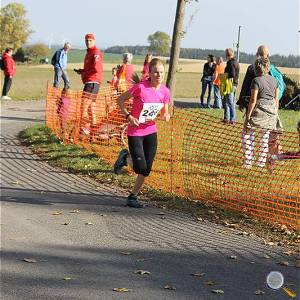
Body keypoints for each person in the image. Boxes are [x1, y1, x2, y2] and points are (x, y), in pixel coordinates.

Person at [114, 58, 171, 208]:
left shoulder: (165, 91)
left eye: (161, 72)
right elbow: (120, 100)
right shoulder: (140, 88)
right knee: (139, 167)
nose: (159, 75)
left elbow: (165, 111)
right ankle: (126, 157)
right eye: (156, 72)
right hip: (136, 132)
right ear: (150, 73)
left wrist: (166, 115)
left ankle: (133, 196)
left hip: (151, 131)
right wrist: (129, 116)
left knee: (146, 170)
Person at [239, 45, 284, 158]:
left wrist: (245, 109)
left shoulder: (252, 72)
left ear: (257, 55)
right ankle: (261, 162)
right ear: (268, 56)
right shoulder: (275, 74)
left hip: (256, 109)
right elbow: (277, 97)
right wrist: (275, 112)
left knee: (248, 133)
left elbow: (251, 97)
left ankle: (248, 160)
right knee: (265, 136)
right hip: (271, 110)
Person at [74, 33, 103, 136]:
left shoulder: (96, 52)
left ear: (94, 41)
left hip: (92, 82)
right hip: (91, 82)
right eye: (86, 41)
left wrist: (85, 72)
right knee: (91, 109)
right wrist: (82, 71)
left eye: (90, 41)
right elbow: (90, 68)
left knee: (83, 107)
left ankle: (81, 131)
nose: (88, 42)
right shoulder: (88, 53)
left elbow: (96, 68)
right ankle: (94, 132)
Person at [222, 48, 239, 124]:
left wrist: (224, 76)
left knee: (230, 102)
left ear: (227, 54)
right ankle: (226, 118)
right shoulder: (235, 62)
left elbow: (232, 74)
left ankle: (232, 119)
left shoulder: (230, 63)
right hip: (234, 84)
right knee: (226, 101)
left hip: (230, 84)